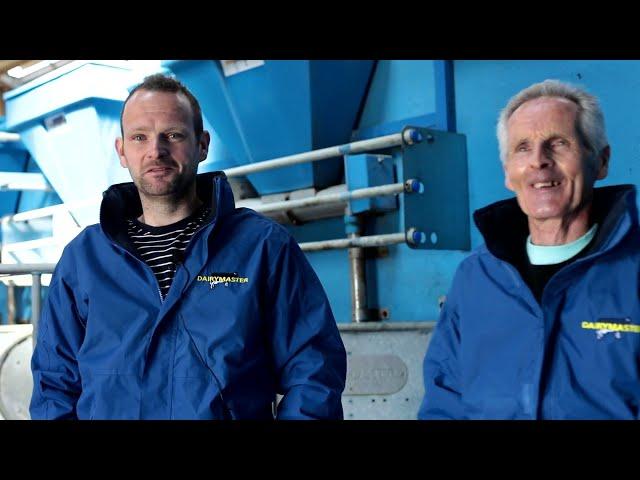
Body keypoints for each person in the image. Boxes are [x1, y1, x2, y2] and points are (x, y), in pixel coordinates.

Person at [30, 73, 346, 420]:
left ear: (202, 144)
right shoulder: (84, 258)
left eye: (174, 135)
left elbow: (314, 372)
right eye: (140, 137)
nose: (156, 151)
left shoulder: (262, 247)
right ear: (122, 151)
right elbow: (54, 385)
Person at [419, 79, 640, 419]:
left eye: (559, 143)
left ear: (602, 161)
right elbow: (444, 400)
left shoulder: (634, 272)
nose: (539, 161)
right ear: (508, 172)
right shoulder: (477, 277)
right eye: (523, 148)